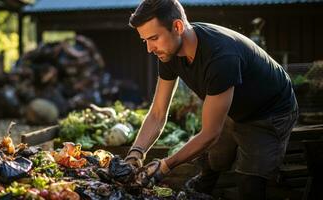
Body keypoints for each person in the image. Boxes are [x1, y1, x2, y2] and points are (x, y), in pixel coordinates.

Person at [123, 0, 298, 199]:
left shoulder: (220, 57)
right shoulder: (167, 52)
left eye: (153, 38)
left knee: (250, 184)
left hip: (269, 112)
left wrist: (164, 166)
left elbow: (210, 133)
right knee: (214, 160)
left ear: (177, 27)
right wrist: (135, 155)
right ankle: (201, 187)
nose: (149, 48)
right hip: (234, 106)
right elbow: (157, 113)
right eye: (145, 40)